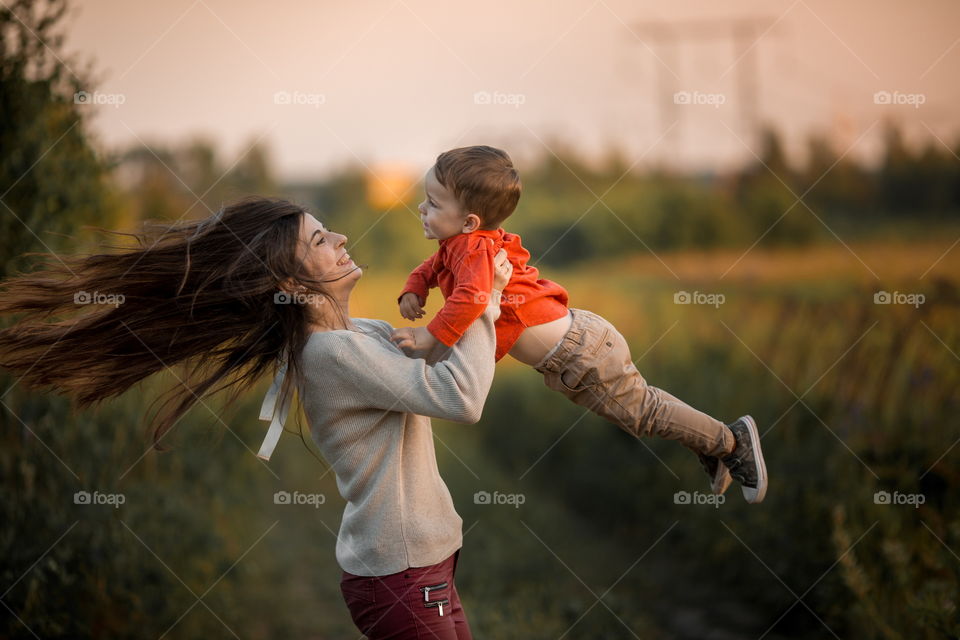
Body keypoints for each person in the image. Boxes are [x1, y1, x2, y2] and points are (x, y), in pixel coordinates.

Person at [0, 196, 513, 639]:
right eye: (318, 241)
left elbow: (454, 364)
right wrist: (483, 303)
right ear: (290, 280)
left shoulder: (365, 334)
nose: (340, 237)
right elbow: (461, 398)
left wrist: (473, 289)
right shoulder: (330, 353)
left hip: (423, 562)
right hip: (402, 573)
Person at [393, 146, 768, 503]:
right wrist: (415, 288)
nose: (422, 208)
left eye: (434, 203)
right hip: (575, 352)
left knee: (643, 413)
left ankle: (730, 441)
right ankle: (711, 444)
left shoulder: (473, 250)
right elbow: (432, 267)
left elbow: (473, 298)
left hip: (581, 354)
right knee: (644, 407)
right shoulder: (460, 246)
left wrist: (430, 336)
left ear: (469, 221)